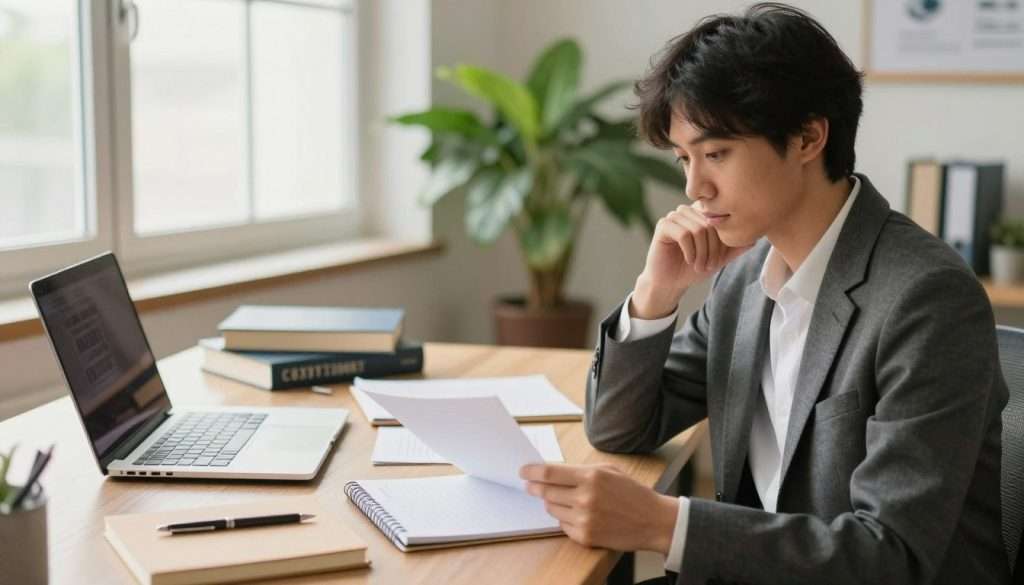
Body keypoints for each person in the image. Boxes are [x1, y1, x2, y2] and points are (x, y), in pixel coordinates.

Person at [519, 4, 1011, 584]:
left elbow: (891, 555)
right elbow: (619, 429)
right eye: (684, 159)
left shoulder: (927, 298)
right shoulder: (746, 277)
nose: (694, 188)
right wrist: (654, 295)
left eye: (715, 154)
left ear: (807, 137)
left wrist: (665, 526)